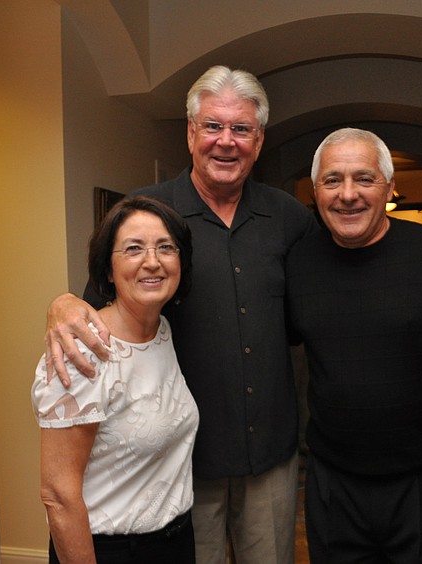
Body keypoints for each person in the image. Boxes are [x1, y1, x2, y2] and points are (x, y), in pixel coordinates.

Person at [44, 66, 317, 563]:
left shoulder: (290, 218)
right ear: (191, 133)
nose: (226, 141)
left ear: (259, 140)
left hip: (271, 459)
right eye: (213, 126)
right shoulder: (147, 214)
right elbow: (97, 306)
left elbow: (322, 307)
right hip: (178, 464)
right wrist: (60, 304)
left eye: (241, 129)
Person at [285, 128, 422, 563]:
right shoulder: (295, 263)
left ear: (389, 187)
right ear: (315, 192)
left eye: (364, 179)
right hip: (333, 481)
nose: (347, 194)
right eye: (332, 181)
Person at [32, 196, 198, 563]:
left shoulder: (161, 331)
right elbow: (58, 494)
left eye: (165, 247)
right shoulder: (82, 352)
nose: (152, 261)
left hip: (173, 542)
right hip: (112, 551)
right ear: (108, 269)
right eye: (134, 248)